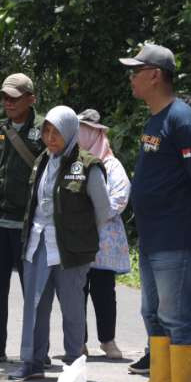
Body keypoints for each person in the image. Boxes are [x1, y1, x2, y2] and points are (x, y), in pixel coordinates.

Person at [117, 44, 191, 382]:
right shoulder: (154, 118)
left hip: (178, 233)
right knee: (153, 312)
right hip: (154, 234)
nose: (131, 77)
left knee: (177, 315)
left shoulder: (181, 117)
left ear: (155, 75)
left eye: (136, 70)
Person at [9, 106, 112, 381]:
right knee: (35, 305)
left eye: (57, 132)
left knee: (72, 309)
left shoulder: (87, 165)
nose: (50, 138)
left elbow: (103, 211)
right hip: (38, 243)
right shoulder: (42, 159)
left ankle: (73, 366)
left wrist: (83, 236)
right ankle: (32, 362)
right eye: (46, 131)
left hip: (71, 249)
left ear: (70, 132)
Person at [0, 73, 45, 366]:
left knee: (34, 291)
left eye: (14, 97)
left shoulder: (45, 130)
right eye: (5, 97)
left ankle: (35, 351)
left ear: (31, 99)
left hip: (27, 224)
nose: (8, 102)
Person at [76, 109, 129, 360]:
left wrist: (91, 213)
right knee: (77, 290)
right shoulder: (73, 162)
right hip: (77, 237)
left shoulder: (111, 164)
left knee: (104, 290)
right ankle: (79, 341)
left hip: (104, 240)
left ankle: (108, 340)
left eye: (84, 129)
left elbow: (119, 197)